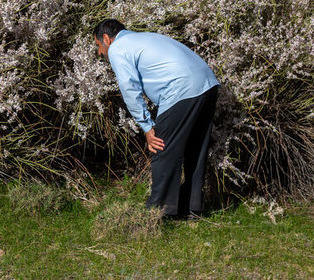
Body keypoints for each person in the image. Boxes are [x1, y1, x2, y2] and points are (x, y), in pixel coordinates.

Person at [94, 18, 220, 219]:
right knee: (195, 149)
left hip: (182, 88)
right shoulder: (143, 38)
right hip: (208, 84)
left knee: (161, 148)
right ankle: (192, 209)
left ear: (107, 39)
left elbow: (129, 88)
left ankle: (158, 212)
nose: (100, 53)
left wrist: (147, 127)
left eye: (98, 46)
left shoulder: (118, 49)